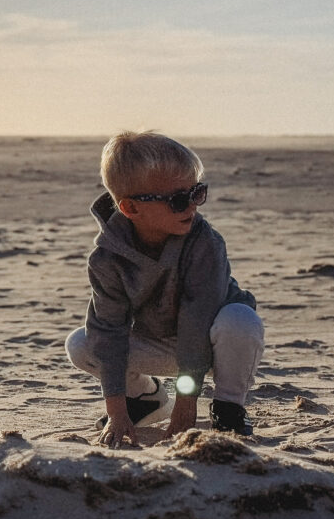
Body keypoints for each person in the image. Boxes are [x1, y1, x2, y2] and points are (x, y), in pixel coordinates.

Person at [64, 131, 264, 449]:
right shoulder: (106, 259)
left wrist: (186, 404)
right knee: (82, 344)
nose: (191, 207)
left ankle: (228, 409)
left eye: (197, 193)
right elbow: (109, 331)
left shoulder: (205, 243)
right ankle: (145, 399)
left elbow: (197, 323)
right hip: (160, 343)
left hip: (217, 345)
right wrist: (116, 413)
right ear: (130, 208)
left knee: (241, 319)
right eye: (178, 200)